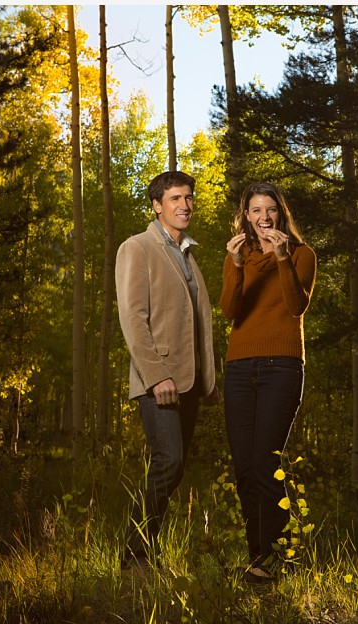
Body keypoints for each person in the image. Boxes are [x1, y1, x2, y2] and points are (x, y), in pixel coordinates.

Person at [115, 170, 216, 572]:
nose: (184, 205)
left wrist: (208, 378)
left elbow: (197, 323)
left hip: (188, 382)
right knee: (168, 462)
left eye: (189, 198)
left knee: (175, 468)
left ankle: (143, 550)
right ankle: (134, 555)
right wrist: (157, 375)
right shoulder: (137, 248)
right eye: (175, 199)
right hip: (159, 381)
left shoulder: (188, 255)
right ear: (157, 205)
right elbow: (133, 319)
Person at [220, 182, 317, 582]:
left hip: (282, 367)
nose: (263, 218)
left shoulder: (302, 255)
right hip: (239, 369)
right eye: (256, 210)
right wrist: (237, 265)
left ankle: (277, 558)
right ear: (246, 217)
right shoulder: (237, 257)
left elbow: (296, 306)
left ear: (281, 214)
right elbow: (229, 311)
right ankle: (258, 558)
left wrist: (281, 259)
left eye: (270, 210)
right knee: (245, 467)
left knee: (265, 463)